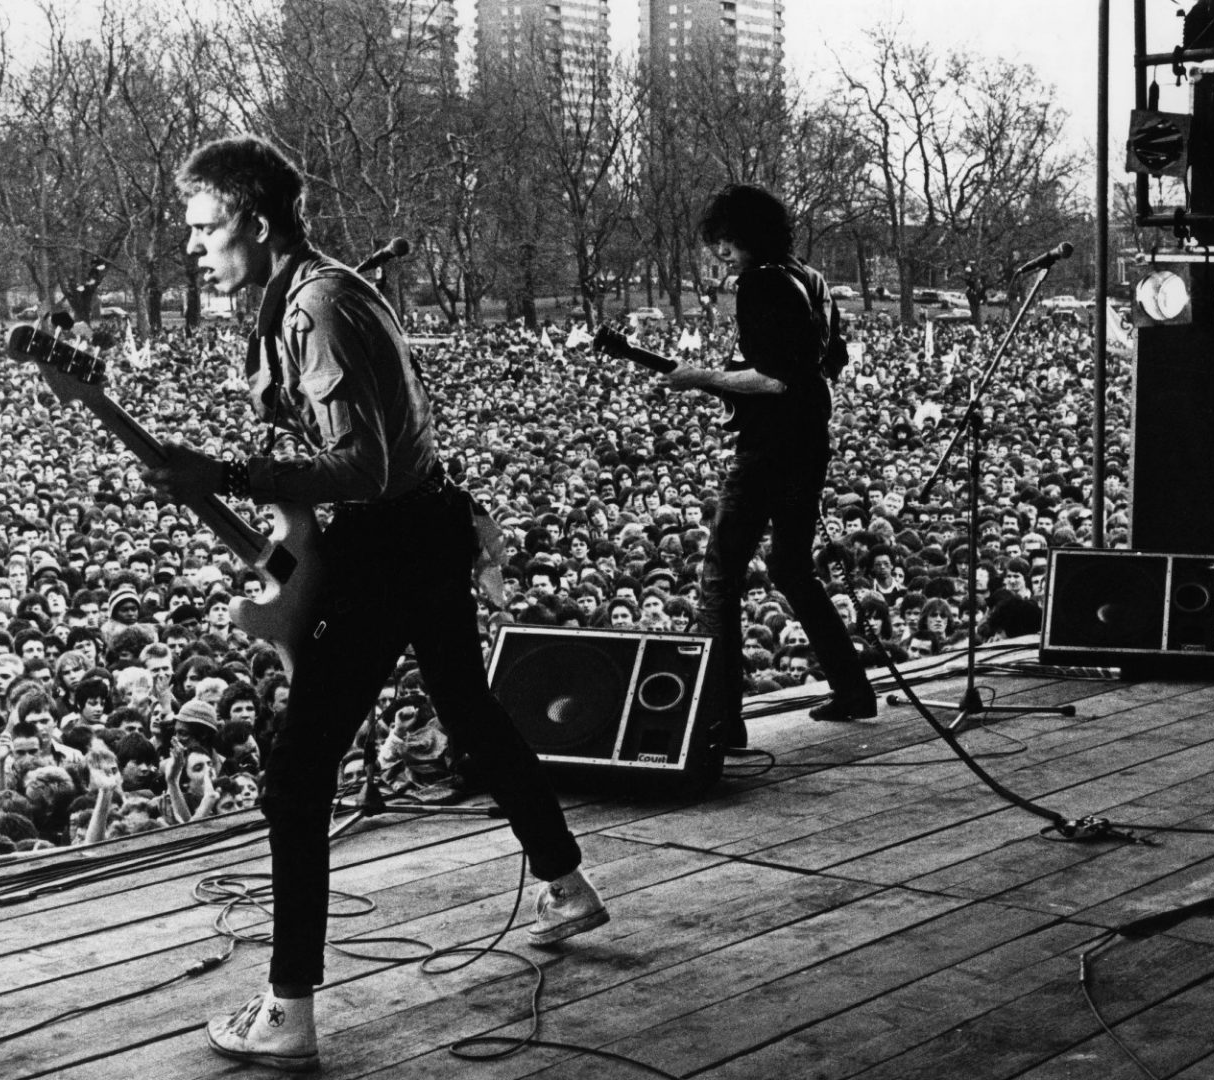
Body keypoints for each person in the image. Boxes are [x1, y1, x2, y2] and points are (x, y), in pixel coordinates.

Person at [143, 135, 603, 1073]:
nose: (192, 247)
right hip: (420, 532)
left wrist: (220, 472)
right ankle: (565, 883)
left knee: (298, 772)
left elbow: (369, 466)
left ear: (256, 221)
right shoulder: (314, 294)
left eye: (204, 227)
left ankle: (289, 1007)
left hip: (388, 543)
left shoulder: (317, 305)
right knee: (468, 708)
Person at [662, 184, 877, 746]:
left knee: (720, 576)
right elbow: (826, 363)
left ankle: (719, 720)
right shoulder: (812, 278)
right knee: (790, 567)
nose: (722, 253)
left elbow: (774, 377)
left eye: (728, 242)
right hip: (809, 442)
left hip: (768, 449)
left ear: (750, 237)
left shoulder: (758, 283)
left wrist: (704, 378)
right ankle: (853, 689)